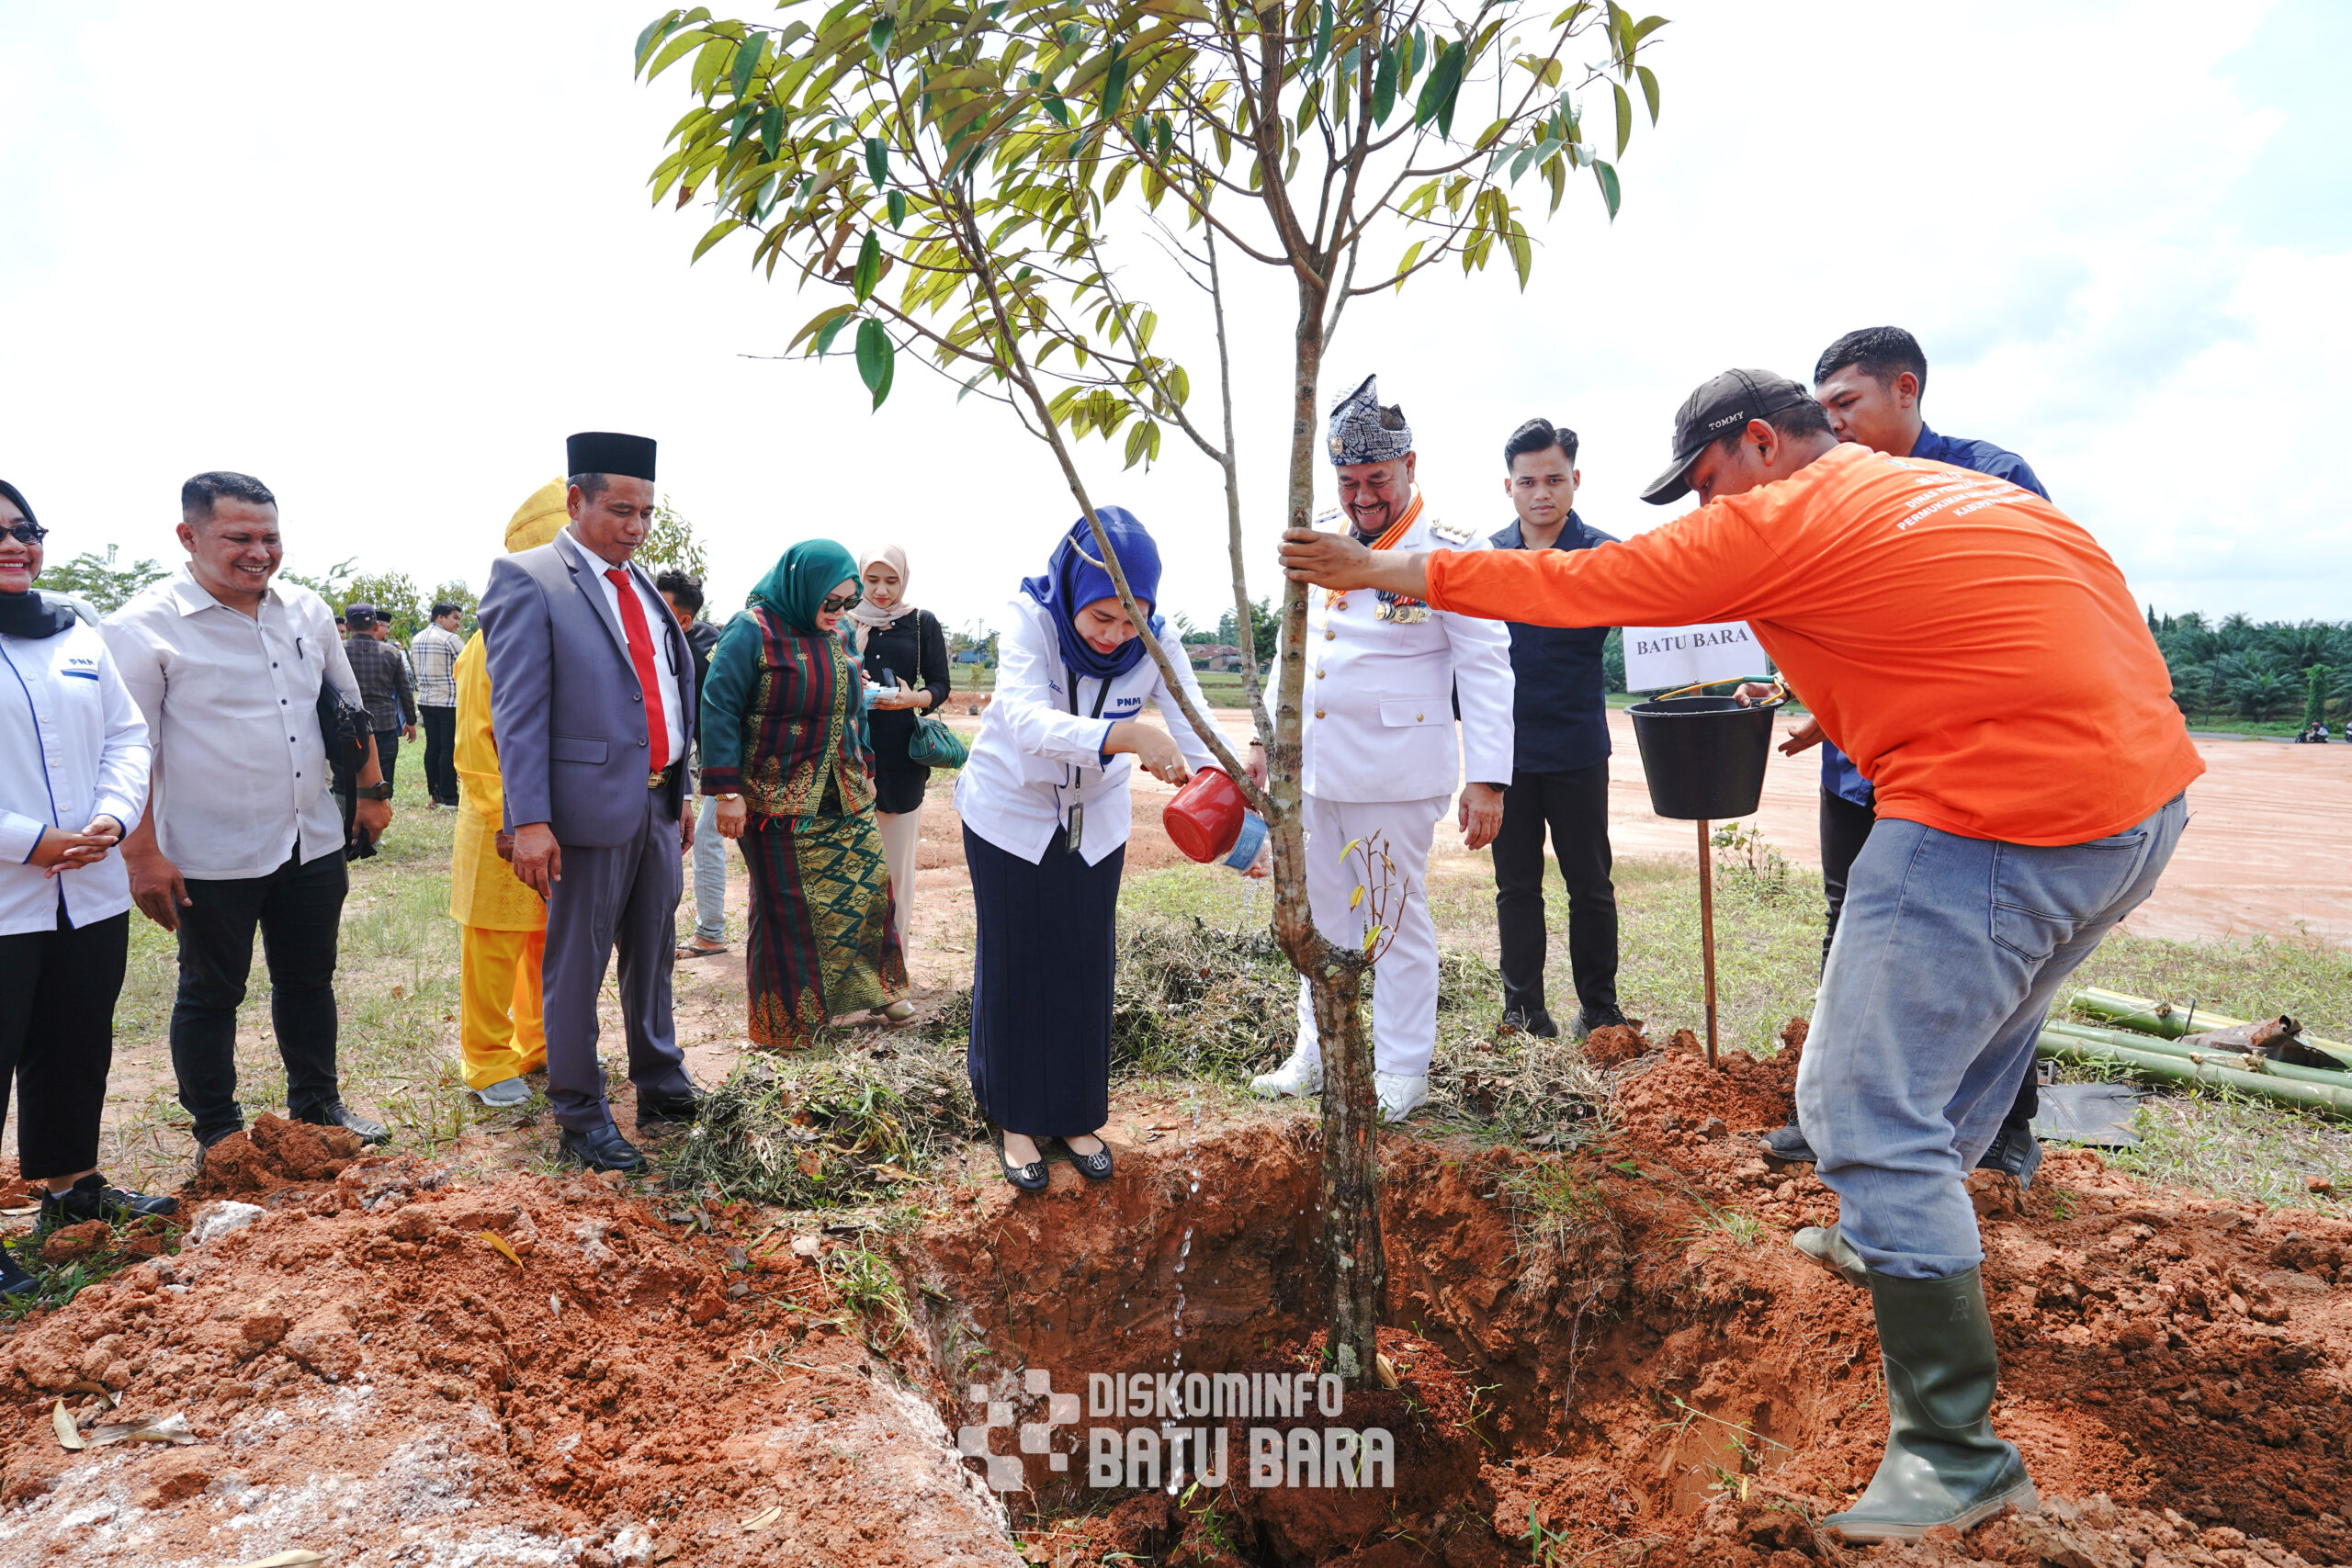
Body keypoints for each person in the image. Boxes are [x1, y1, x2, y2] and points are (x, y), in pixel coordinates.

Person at [1280, 367, 2199, 1542]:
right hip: (2139, 811)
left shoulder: (1779, 516)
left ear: (1762, 446)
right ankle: (1884, 1244)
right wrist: (1863, 698)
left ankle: (1954, 1452)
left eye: (1708, 486)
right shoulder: (1950, 495)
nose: (1705, 512)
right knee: (1973, 1054)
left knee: (1858, 1102)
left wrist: (1373, 571)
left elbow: (1573, 584)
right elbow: (2062, 613)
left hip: (1994, 814)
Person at [1756, 327, 2060, 1185]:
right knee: (1847, 932)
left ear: (1906, 388)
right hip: (1858, 767)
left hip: (1963, 774)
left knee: (1992, 949)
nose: (1833, 425)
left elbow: (2026, 616)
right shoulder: (1819, 497)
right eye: (1820, 411)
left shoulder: (1988, 478)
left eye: (1845, 404)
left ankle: (2006, 1125)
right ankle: (1830, 1116)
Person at [105, 471, 392, 1167]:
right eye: (238, 537)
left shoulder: (307, 611)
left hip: (310, 837)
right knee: (211, 990)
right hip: (207, 852)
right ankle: (218, 1129)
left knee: (308, 977)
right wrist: (141, 854)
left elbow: (348, 710)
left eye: (270, 537)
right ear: (188, 536)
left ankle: (317, 1106)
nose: (258, 552)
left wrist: (373, 793)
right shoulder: (143, 626)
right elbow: (128, 749)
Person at [1250, 375, 1515, 1123]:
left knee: (1391, 922)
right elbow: (1292, 646)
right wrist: (1266, 738)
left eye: (1377, 480)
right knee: (1320, 921)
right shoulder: (1322, 537)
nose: (1363, 497)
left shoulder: (1452, 550)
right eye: (1348, 481)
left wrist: (1487, 778)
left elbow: (1486, 666)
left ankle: (1402, 1070)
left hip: (1393, 773)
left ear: (1410, 466)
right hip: (1317, 770)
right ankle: (1316, 1051)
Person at [955, 510, 1222, 1190]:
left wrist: (1233, 788)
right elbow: (1022, 721)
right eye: (1102, 617)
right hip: (1011, 810)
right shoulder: (1031, 619)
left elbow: (1196, 720)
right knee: (1018, 954)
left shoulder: (1155, 639)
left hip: (1093, 820)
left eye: (1132, 620)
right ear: (1075, 591)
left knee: (1083, 956)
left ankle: (1074, 1112)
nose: (1115, 637)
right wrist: (1126, 735)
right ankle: (1014, 1116)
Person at [479, 433, 704, 1174]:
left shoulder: (639, 582)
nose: (635, 526)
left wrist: (684, 787)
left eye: (645, 512)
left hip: (656, 806)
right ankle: (580, 1111)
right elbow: (516, 711)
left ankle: (661, 1080)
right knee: (577, 965)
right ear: (575, 500)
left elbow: (665, 690)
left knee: (654, 952)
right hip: (581, 815)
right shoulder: (529, 578)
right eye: (619, 510)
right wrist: (531, 819)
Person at [0, 480, 175, 1294]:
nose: (15, 545)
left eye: (25, 529)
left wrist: (110, 817)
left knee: (75, 1042)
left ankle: (71, 1189)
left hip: (88, 887)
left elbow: (126, 734)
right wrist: (27, 841)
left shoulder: (75, 631)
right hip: (8, 891)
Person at [699, 541, 914, 1053]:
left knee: (866, 891)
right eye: (832, 601)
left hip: (844, 786)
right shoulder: (751, 631)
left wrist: (866, 765)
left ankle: (879, 990)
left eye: (847, 602)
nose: (840, 612)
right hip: (776, 801)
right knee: (786, 910)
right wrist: (727, 792)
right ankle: (787, 1023)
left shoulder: (840, 632)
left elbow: (853, 708)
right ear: (803, 588)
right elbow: (717, 708)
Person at [1488, 418, 1626, 1043]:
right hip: (1504, 750)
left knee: (1589, 883)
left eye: (1553, 478)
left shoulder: (1606, 555)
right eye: (1527, 481)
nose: (1541, 491)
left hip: (1576, 746)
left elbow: (1658, 632)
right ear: (1509, 486)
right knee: (1516, 885)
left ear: (1576, 478)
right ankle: (1523, 1011)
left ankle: (1599, 1008)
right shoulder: (1484, 559)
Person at [448, 484, 566, 1108]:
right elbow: (474, 749)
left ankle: (539, 1043)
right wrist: (509, 821)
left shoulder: (565, 635)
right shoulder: (487, 643)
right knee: (494, 942)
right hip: (502, 827)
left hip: (551, 823)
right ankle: (487, 1061)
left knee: (546, 941)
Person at [846, 544, 952, 953]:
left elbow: (941, 683)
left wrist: (914, 699)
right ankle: (855, 975)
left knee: (896, 872)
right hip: (850, 758)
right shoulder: (842, 622)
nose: (882, 591)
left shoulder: (921, 623)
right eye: (872, 580)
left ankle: (894, 969)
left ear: (904, 579)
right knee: (851, 872)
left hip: (901, 761)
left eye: (891, 580)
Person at [656, 570, 729, 961]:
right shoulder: (668, 642)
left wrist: (725, 780)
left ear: (684, 620)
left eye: (660, 607)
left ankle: (711, 933)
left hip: (736, 759)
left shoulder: (708, 651)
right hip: (715, 760)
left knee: (706, 837)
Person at [341, 604, 416, 794]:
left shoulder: (338, 652)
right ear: (376, 627)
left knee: (344, 779)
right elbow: (405, 690)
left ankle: (347, 819)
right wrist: (411, 720)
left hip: (346, 726)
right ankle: (378, 818)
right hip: (383, 726)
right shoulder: (391, 653)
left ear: (348, 627)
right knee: (383, 780)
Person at [412, 601, 466, 809]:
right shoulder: (451, 639)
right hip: (449, 702)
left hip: (426, 701)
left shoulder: (417, 638)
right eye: (455, 618)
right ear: (440, 617)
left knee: (432, 748)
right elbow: (467, 666)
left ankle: (435, 795)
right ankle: (449, 797)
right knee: (448, 749)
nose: (457, 623)